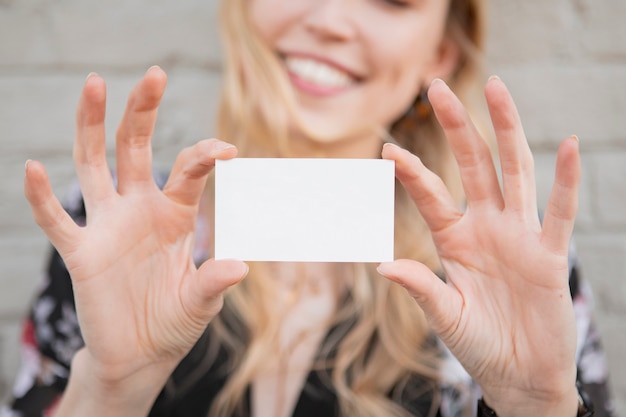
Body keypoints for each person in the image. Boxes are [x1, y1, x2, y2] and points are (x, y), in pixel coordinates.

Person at [1, 0, 615, 416]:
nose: (330, 20)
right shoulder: (111, 226)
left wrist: (540, 406)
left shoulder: (516, 261)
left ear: (440, 56)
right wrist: (108, 389)